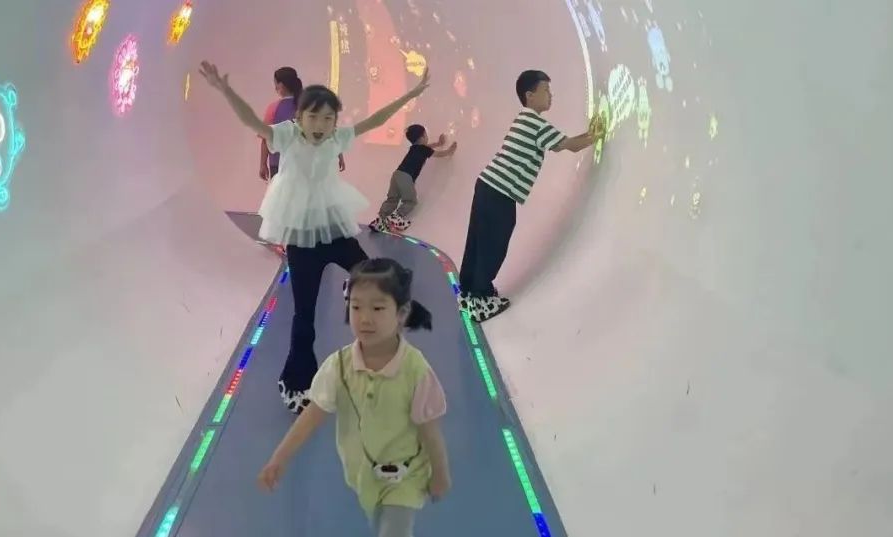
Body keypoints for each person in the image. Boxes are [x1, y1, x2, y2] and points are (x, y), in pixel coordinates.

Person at [199, 60, 432, 413]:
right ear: (299, 117)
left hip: (333, 227)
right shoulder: (287, 135)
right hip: (301, 238)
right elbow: (253, 123)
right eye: (313, 117)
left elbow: (376, 120)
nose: (321, 125)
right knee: (304, 315)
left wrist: (410, 94)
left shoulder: (337, 137)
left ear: (335, 121)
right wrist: (226, 90)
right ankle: (295, 381)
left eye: (328, 118)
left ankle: (387, 334)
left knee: (371, 273)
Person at [257, 258, 451, 536]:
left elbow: (429, 430)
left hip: (407, 475)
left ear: (402, 312)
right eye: (356, 306)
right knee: (379, 522)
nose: (364, 318)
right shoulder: (339, 366)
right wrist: (279, 458)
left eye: (378, 308)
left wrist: (441, 474)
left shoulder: (415, 370)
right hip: (363, 474)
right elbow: (311, 416)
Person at [457, 70, 607, 322]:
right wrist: (597, 135)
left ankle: (468, 292)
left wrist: (589, 134)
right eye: (546, 90)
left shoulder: (523, 120)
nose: (551, 95)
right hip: (500, 191)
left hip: (488, 185)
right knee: (493, 244)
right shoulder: (535, 123)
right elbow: (569, 146)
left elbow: (564, 142)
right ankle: (481, 300)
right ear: (530, 95)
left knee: (478, 241)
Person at [258, 67, 345, 181]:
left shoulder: (273, 108)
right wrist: (339, 155)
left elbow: (265, 139)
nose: (275, 88)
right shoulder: (310, 104)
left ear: (281, 86)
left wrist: (263, 164)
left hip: (279, 163)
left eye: (276, 84)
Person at [369, 124, 457, 233]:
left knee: (392, 199)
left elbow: (427, 147)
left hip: (397, 174)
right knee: (411, 201)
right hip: (406, 176)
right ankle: (396, 218)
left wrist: (438, 143)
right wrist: (450, 150)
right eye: (426, 135)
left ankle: (379, 221)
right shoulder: (423, 149)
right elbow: (439, 154)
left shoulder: (414, 148)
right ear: (422, 137)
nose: (427, 137)